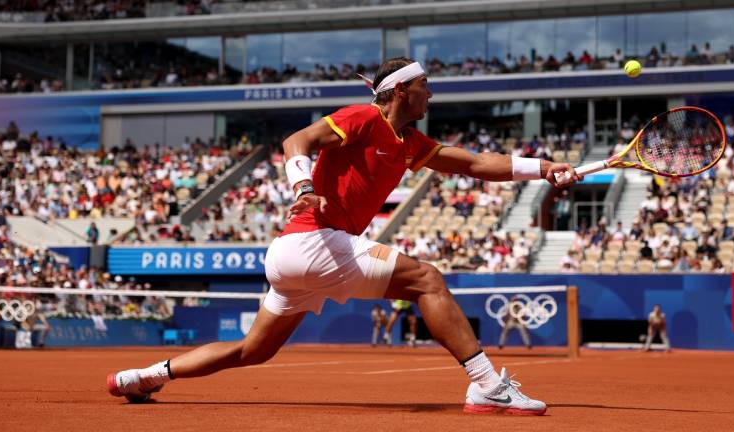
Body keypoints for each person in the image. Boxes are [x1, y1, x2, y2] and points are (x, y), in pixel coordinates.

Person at [106, 57, 580, 415]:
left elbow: (476, 164)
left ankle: (145, 377)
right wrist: (304, 186)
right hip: (315, 241)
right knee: (428, 281)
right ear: (398, 91)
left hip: (296, 256)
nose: (430, 95)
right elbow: (297, 142)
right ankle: (486, 385)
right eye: (423, 87)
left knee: (254, 350)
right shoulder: (362, 117)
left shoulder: (410, 143)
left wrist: (544, 169)